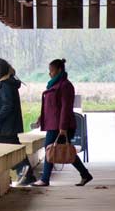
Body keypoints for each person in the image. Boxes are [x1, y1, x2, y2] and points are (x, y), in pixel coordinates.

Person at [31, 58, 92, 186]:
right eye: (49, 71)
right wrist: (40, 118)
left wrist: (63, 127)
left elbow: (65, 108)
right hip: (54, 124)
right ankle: (85, 174)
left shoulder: (65, 86)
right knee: (63, 150)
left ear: (59, 70)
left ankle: (45, 179)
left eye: (52, 71)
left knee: (51, 149)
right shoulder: (54, 84)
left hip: (61, 126)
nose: (50, 73)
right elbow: (51, 106)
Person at [0, 57, 35, 182]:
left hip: (4, 127)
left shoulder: (5, 84)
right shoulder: (5, 83)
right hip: (6, 126)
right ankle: (27, 176)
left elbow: (7, 105)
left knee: (6, 152)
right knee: (15, 151)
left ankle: (26, 176)